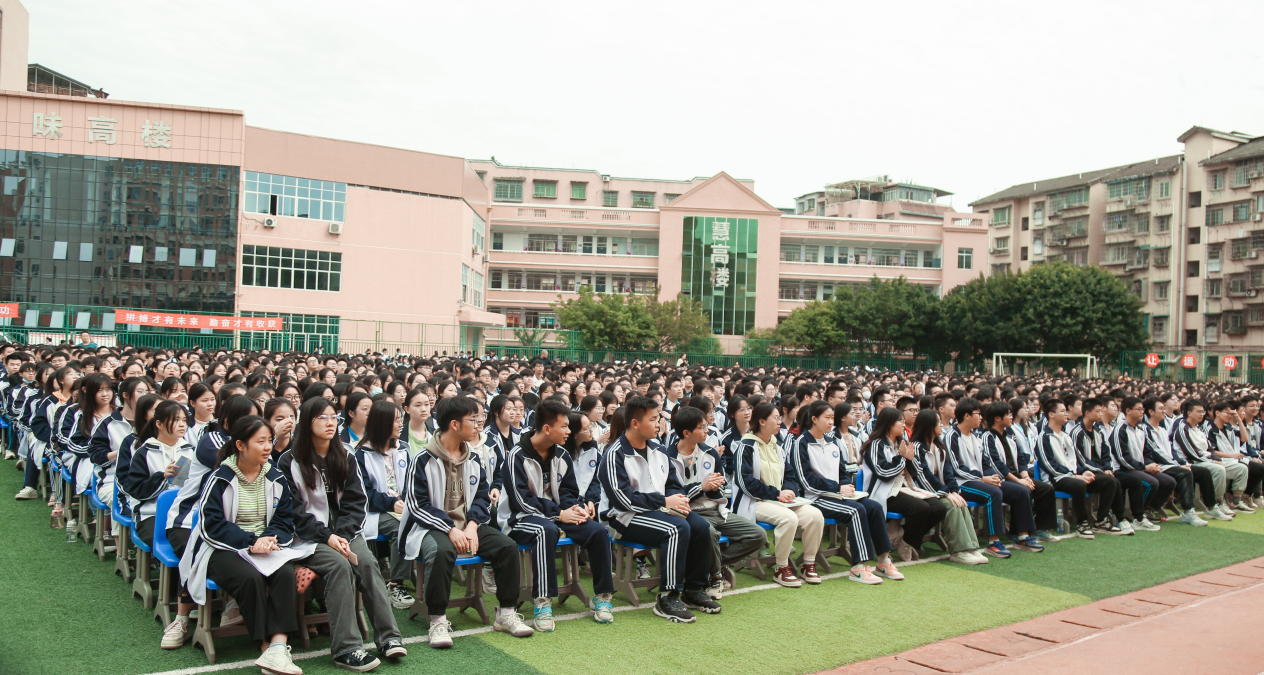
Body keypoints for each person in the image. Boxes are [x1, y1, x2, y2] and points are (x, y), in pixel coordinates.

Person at [278, 396, 406, 670]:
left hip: (345, 534)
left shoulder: (346, 455)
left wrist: (344, 536)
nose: (330, 423)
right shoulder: (289, 461)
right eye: (321, 418)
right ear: (306, 422)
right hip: (308, 538)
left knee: (369, 564)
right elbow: (294, 513)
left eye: (332, 417)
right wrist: (327, 537)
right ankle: (346, 648)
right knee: (339, 566)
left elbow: (355, 503)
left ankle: (389, 638)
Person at [399, 395, 534, 649]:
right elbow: (417, 505)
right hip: (430, 527)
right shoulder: (423, 459)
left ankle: (506, 613)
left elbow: (482, 498)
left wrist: (472, 526)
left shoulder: (472, 458)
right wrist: (450, 529)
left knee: (506, 547)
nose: (478, 423)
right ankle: (437, 620)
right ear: (454, 424)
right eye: (472, 419)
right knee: (442, 551)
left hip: (468, 526)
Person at [179, 416, 304, 675]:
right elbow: (211, 526)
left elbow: (284, 520)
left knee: (284, 574)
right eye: (260, 441)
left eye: (270, 440)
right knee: (249, 578)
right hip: (223, 548)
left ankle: (279, 645)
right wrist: (250, 542)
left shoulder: (275, 477)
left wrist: (268, 539)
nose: (268, 446)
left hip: (265, 546)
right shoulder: (220, 477)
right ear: (240, 445)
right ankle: (265, 645)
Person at [598, 396, 719, 621]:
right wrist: (664, 502)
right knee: (677, 528)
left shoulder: (658, 448)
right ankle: (668, 596)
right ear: (635, 424)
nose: (659, 424)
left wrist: (677, 500)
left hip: (657, 510)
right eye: (654, 419)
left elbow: (672, 484)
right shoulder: (614, 454)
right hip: (622, 517)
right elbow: (622, 500)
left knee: (701, 526)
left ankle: (694, 589)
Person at [499, 398, 617, 630]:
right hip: (519, 519)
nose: (568, 431)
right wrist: (559, 514)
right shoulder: (516, 456)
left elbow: (569, 491)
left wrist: (573, 508)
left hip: (558, 514)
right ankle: (543, 602)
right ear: (546, 428)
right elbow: (522, 501)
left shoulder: (561, 455)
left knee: (597, 531)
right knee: (546, 530)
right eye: (563, 426)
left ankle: (602, 597)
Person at [666, 405, 764, 598]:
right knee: (709, 533)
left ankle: (710, 565)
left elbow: (718, 488)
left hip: (716, 510)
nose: (707, 430)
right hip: (689, 513)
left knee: (757, 535)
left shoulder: (710, 453)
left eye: (706, 426)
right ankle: (716, 575)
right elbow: (674, 493)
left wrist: (712, 487)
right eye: (701, 428)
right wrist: (702, 486)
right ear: (686, 432)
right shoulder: (666, 457)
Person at [731, 401, 825, 587]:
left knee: (815, 515)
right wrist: (776, 493)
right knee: (789, 519)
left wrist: (789, 490)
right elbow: (745, 483)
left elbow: (790, 473)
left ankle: (808, 563)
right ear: (762, 421)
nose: (780, 422)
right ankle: (781, 568)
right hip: (754, 501)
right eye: (775, 418)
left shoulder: (776, 445)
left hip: (779, 500)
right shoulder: (746, 446)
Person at [946, 397, 1044, 557]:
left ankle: (1023, 536)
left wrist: (992, 476)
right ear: (967, 416)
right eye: (977, 414)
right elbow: (956, 467)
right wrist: (983, 478)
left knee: (1020, 490)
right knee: (994, 493)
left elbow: (985, 463)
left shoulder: (975, 437)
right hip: (962, 483)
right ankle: (993, 542)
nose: (981, 417)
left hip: (980, 480)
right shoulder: (952, 436)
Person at [857, 405, 946, 565]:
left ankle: (906, 540)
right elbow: (883, 473)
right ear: (889, 423)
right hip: (883, 492)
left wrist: (910, 459)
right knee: (922, 508)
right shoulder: (875, 445)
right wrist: (902, 458)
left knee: (939, 507)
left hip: (903, 488)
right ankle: (906, 542)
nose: (903, 425)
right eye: (900, 421)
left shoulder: (901, 443)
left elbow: (915, 471)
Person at [354, 399, 416, 610]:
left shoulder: (403, 449)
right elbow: (364, 493)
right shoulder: (361, 454)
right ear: (382, 423)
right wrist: (391, 503)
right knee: (403, 529)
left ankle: (423, 578)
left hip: (402, 506)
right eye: (396, 420)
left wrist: (406, 499)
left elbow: (411, 481)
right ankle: (396, 583)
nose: (401, 425)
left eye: (401, 420)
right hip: (375, 511)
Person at [907, 410, 988, 564]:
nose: (941, 425)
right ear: (928, 425)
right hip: (922, 492)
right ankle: (959, 550)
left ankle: (971, 547)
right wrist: (945, 493)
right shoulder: (916, 447)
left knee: (960, 502)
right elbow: (923, 476)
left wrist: (953, 491)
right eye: (937, 422)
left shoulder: (940, 446)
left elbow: (948, 473)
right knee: (951, 505)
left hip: (939, 491)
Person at [1037, 399, 1119, 538]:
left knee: (1109, 481)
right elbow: (1049, 466)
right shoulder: (1044, 437)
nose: (1066, 414)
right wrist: (1074, 476)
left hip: (1073, 476)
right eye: (1062, 411)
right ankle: (1082, 523)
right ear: (1051, 414)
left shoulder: (1066, 436)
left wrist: (1083, 471)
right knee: (1079, 484)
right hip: (1056, 478)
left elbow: (1074, 461)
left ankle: (1101, 521)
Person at [982, 402, 1058, 541]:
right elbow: (996, 464)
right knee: (1023, 490)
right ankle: (1018, 533)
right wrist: (1018, 480)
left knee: (1046, 489)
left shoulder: (1009, 434)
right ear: (998, 418)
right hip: (1002, 478)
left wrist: (1025, 476)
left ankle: (1040, 528)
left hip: (1017, 475)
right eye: (1008, 414)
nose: (1011, 417)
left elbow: (1021, 457)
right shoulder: (988, 436)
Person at [1141, 396, 1208, 526]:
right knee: (1184, 473)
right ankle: (1188, 512)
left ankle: (1214, 505)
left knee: (1202, 472)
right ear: (1151, 412)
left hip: (1169, 463)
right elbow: (1155, 452)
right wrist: (1177, 465)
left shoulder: (1163, 430)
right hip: (1157, 464)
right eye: (1161, 409)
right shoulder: (1145, 428)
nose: (1164, 411)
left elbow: (1171, 451)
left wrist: (1182, 463)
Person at [1106, 396, 1169, 532]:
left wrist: (1151, 465)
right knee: (1151, 483)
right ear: (1128, 411)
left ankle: (1144, 512)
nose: (1142, 412)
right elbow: (1122, 458)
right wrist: (1145, 468)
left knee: (1167, 481)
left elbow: (1147, 452)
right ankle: (1138, 517)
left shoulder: (1140, 429)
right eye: (1139, 409)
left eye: (1143, 409)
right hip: (1122, 469)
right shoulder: (1120, 430)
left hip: (1138, 468)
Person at [1171, 400, 1236, 521]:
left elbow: (1209, 448)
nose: (1202, 414)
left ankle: (1214, 507)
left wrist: (1216, 458)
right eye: (1199, 411)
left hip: (1203, 460)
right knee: (1218, 469)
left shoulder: (1198, 429)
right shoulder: (1183, 428)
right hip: (1190, 462)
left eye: (1203, 411)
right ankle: (1218, 503)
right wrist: (1213, 461)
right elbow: (1190, 452)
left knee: (1229, 466)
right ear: (1189, 413)